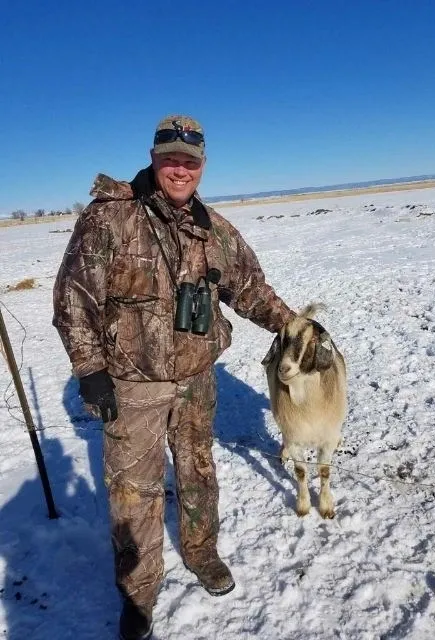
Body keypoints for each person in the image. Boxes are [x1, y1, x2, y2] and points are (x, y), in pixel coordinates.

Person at [53, 115, 294, 640]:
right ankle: (138, 595)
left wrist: (292, 325)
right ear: (154, 157)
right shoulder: (110, 218)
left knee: (198, 472)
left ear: (202, 166)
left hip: (196, 379)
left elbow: (250, 288)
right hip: (132, 385)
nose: (180, 170)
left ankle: (202, 553)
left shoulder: (213, 229)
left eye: (190, 161)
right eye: (171, 159)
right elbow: (74, 299)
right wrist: (90, 369)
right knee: (133, 493)